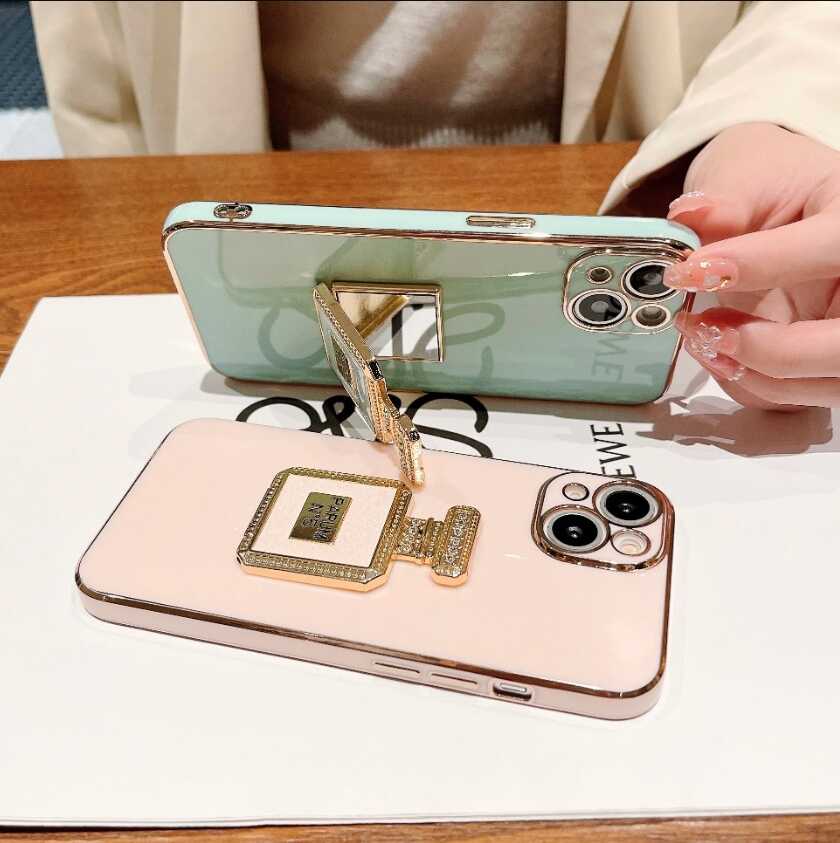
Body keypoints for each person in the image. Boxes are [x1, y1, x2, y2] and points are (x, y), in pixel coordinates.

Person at [30, 1, 840, 408]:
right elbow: (96, 37)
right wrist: (115, 171)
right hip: (246, 155)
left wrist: (780, 111)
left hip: (642, 150)